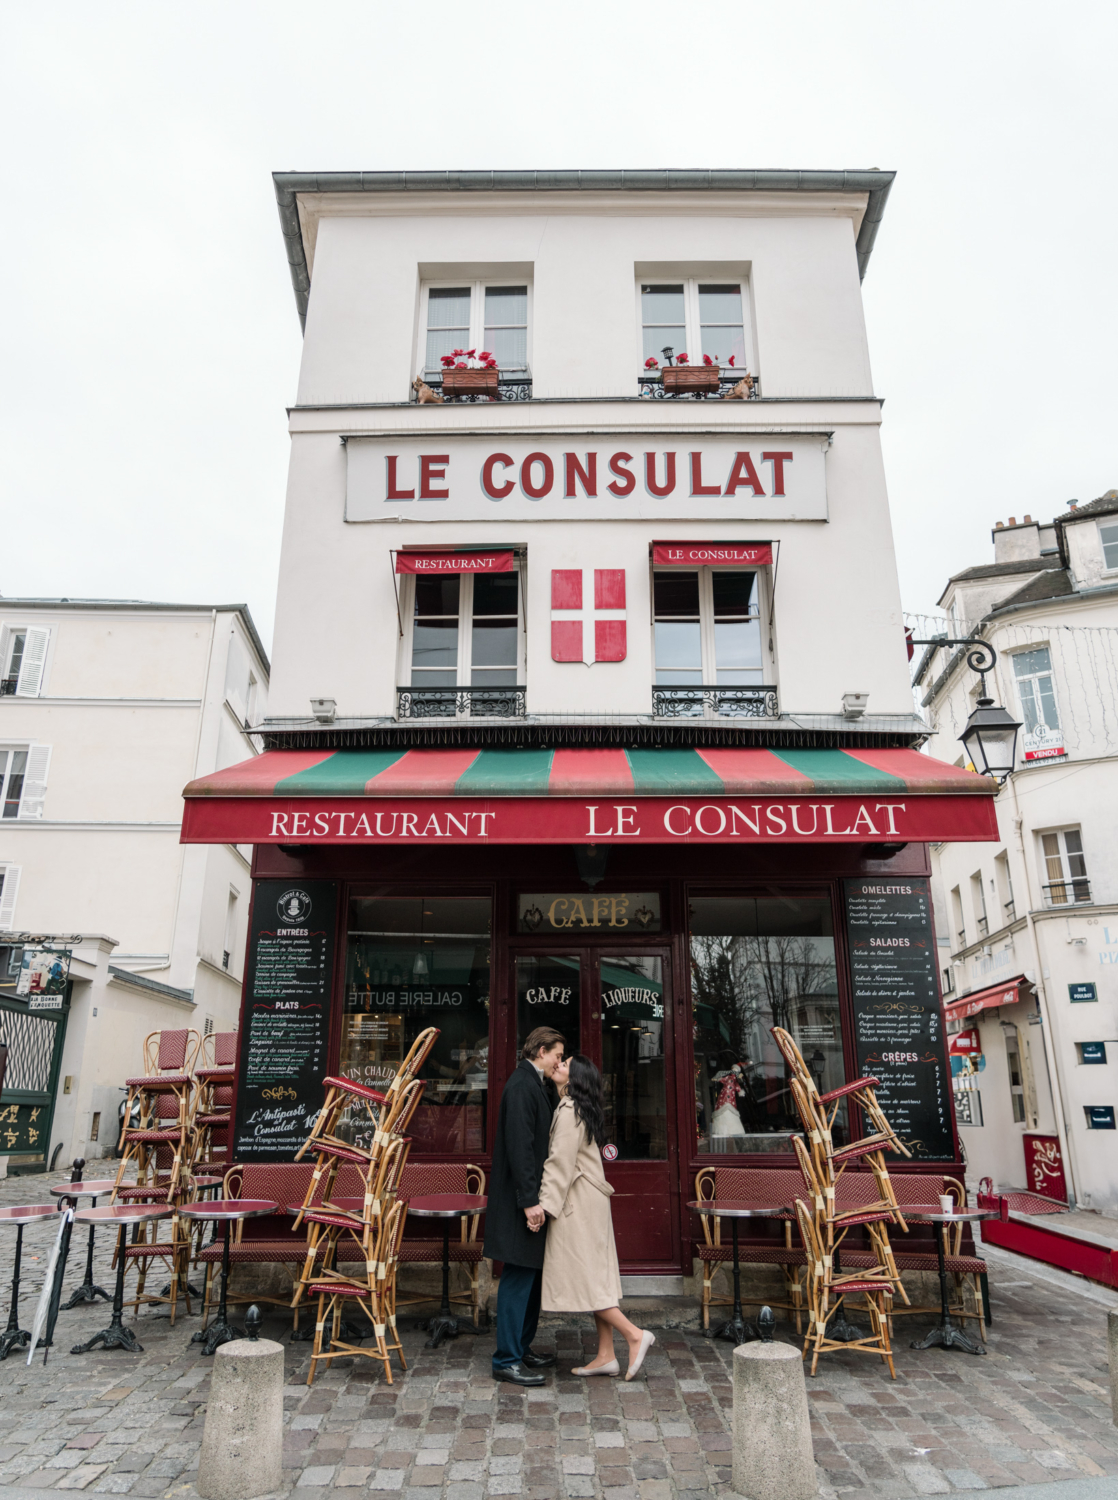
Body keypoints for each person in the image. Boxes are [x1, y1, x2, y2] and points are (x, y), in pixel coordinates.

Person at [538, 1054, 655, 1380]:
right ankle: (606, 1355)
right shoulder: (579, 1109)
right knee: (598, 1281)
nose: (559, 1065)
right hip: (591, 1205)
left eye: (566, 1065)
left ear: (575, 1079)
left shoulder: (568, 1112)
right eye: (560, 1061)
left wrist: (545, 1208)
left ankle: (634, 1335)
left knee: (584, 1280)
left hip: (576, 1206)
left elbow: (559, 1166)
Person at [483, 1025, 565, 1385]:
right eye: (558, 1056)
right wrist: (530, 1201)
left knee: (530, 1276)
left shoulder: (534, 1084)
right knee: (518, 1278)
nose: (559, 1062)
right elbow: (521, 1149)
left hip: (529, 1200)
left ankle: (521, 1347)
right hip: (521, 1203)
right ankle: (506, 1359)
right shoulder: (520, 1086)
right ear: (542, 1050)